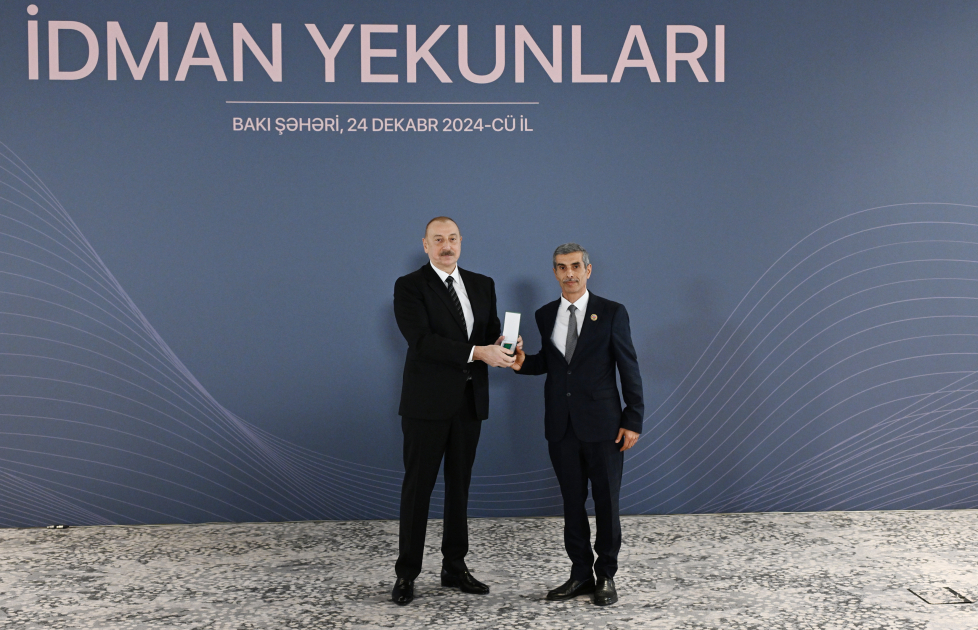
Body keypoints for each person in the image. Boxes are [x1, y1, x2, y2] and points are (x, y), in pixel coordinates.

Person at [390, 217, 515, 605]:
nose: (447, 246)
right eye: (439, 239)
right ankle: (407, 574)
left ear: (461, 242)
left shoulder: (482, 284)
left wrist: (506, 345)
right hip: (426, 405)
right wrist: (479, 352)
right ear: (425, 245)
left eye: (453, 239)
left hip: (469, 403)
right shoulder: (410, 286)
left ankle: (454, 567)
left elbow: (489, 334)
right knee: (418, 489)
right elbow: (421, 342)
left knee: (460, 488)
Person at [513, 243, 644, 606]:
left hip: (605, 426)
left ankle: (606, 576)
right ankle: (580, 574)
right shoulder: (544, 314)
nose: (569, 273)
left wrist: (633, 418)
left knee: (606, 503)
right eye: (561, 267)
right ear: (554, 272)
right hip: (561, 427)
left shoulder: (612, 312)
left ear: (588, 270)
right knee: (572, 504)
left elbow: (628, 366)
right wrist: (522, 362)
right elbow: (554, 364)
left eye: (575, 266)